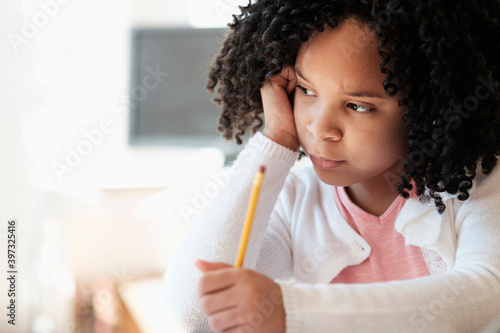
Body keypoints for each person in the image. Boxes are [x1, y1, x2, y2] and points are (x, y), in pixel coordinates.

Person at [165, 0, 500, 332]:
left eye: (357, 105)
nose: (319, 128)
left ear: (426, 109)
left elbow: (484, 293)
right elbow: (195, 312)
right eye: (307, 90)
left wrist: (291, 311)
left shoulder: (481, 186)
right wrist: (276, 139)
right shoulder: (295, 198)